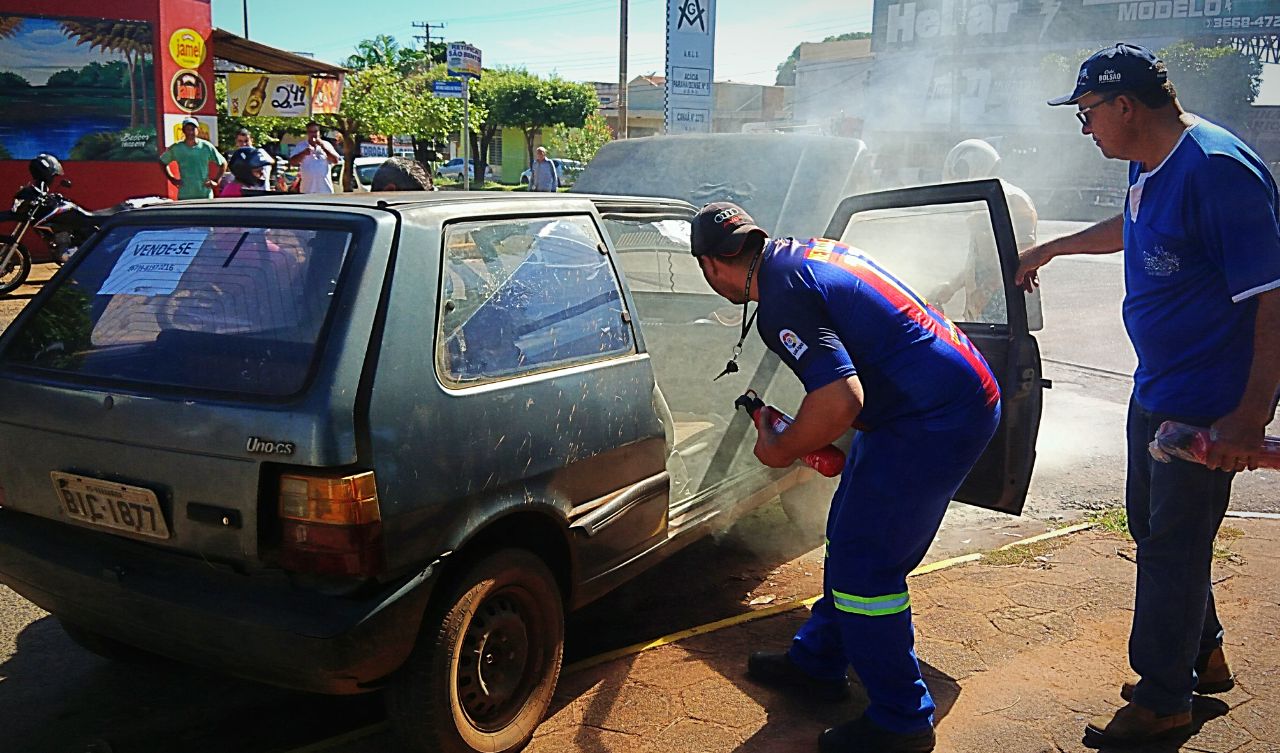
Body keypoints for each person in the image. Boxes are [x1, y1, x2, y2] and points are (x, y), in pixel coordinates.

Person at [1016, 43, 1280, 745]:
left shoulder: (1217, 171)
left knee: (1173, 546)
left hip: (1208, 403)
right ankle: (1202, 654)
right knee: (1157, 531)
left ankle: (1165, 698)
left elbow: (1272, 298)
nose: (1084, 127)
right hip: (1157, 389)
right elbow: (1133, 230)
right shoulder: (1147, 162)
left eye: (1087, 112)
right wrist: (1054, 248)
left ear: (1125, 106)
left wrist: (1250, 414)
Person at [692, 201, 1001, 753]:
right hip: (939, 395)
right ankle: (818, 663)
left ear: (713, 266)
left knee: (865, 566)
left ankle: (902, 719)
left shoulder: (778, 301)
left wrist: (781, 448)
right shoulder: (802, 254)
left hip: (933, 416)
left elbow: (839, 397)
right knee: (851, 534)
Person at [159, 116, 226, 200]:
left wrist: (216, 181)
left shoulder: (206, 146)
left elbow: (223, 163)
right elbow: (162, 161)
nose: (191, 132)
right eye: (188, 129)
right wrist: (172, 179)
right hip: (185, 195)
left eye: (193, 129)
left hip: (204, 194)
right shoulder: (177, 148)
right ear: (183, 131)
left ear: (197, 130)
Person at [288, 121, 341, 194]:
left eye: (315, 131)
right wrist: (303, 153)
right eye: (311, 132)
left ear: (319, 132)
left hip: (325, 190)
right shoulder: (301, 146)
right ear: (307, 133)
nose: (313, 134)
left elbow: (335, 160)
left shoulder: (326, 144)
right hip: (307, 190)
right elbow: (292, 162)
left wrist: (323, 148)